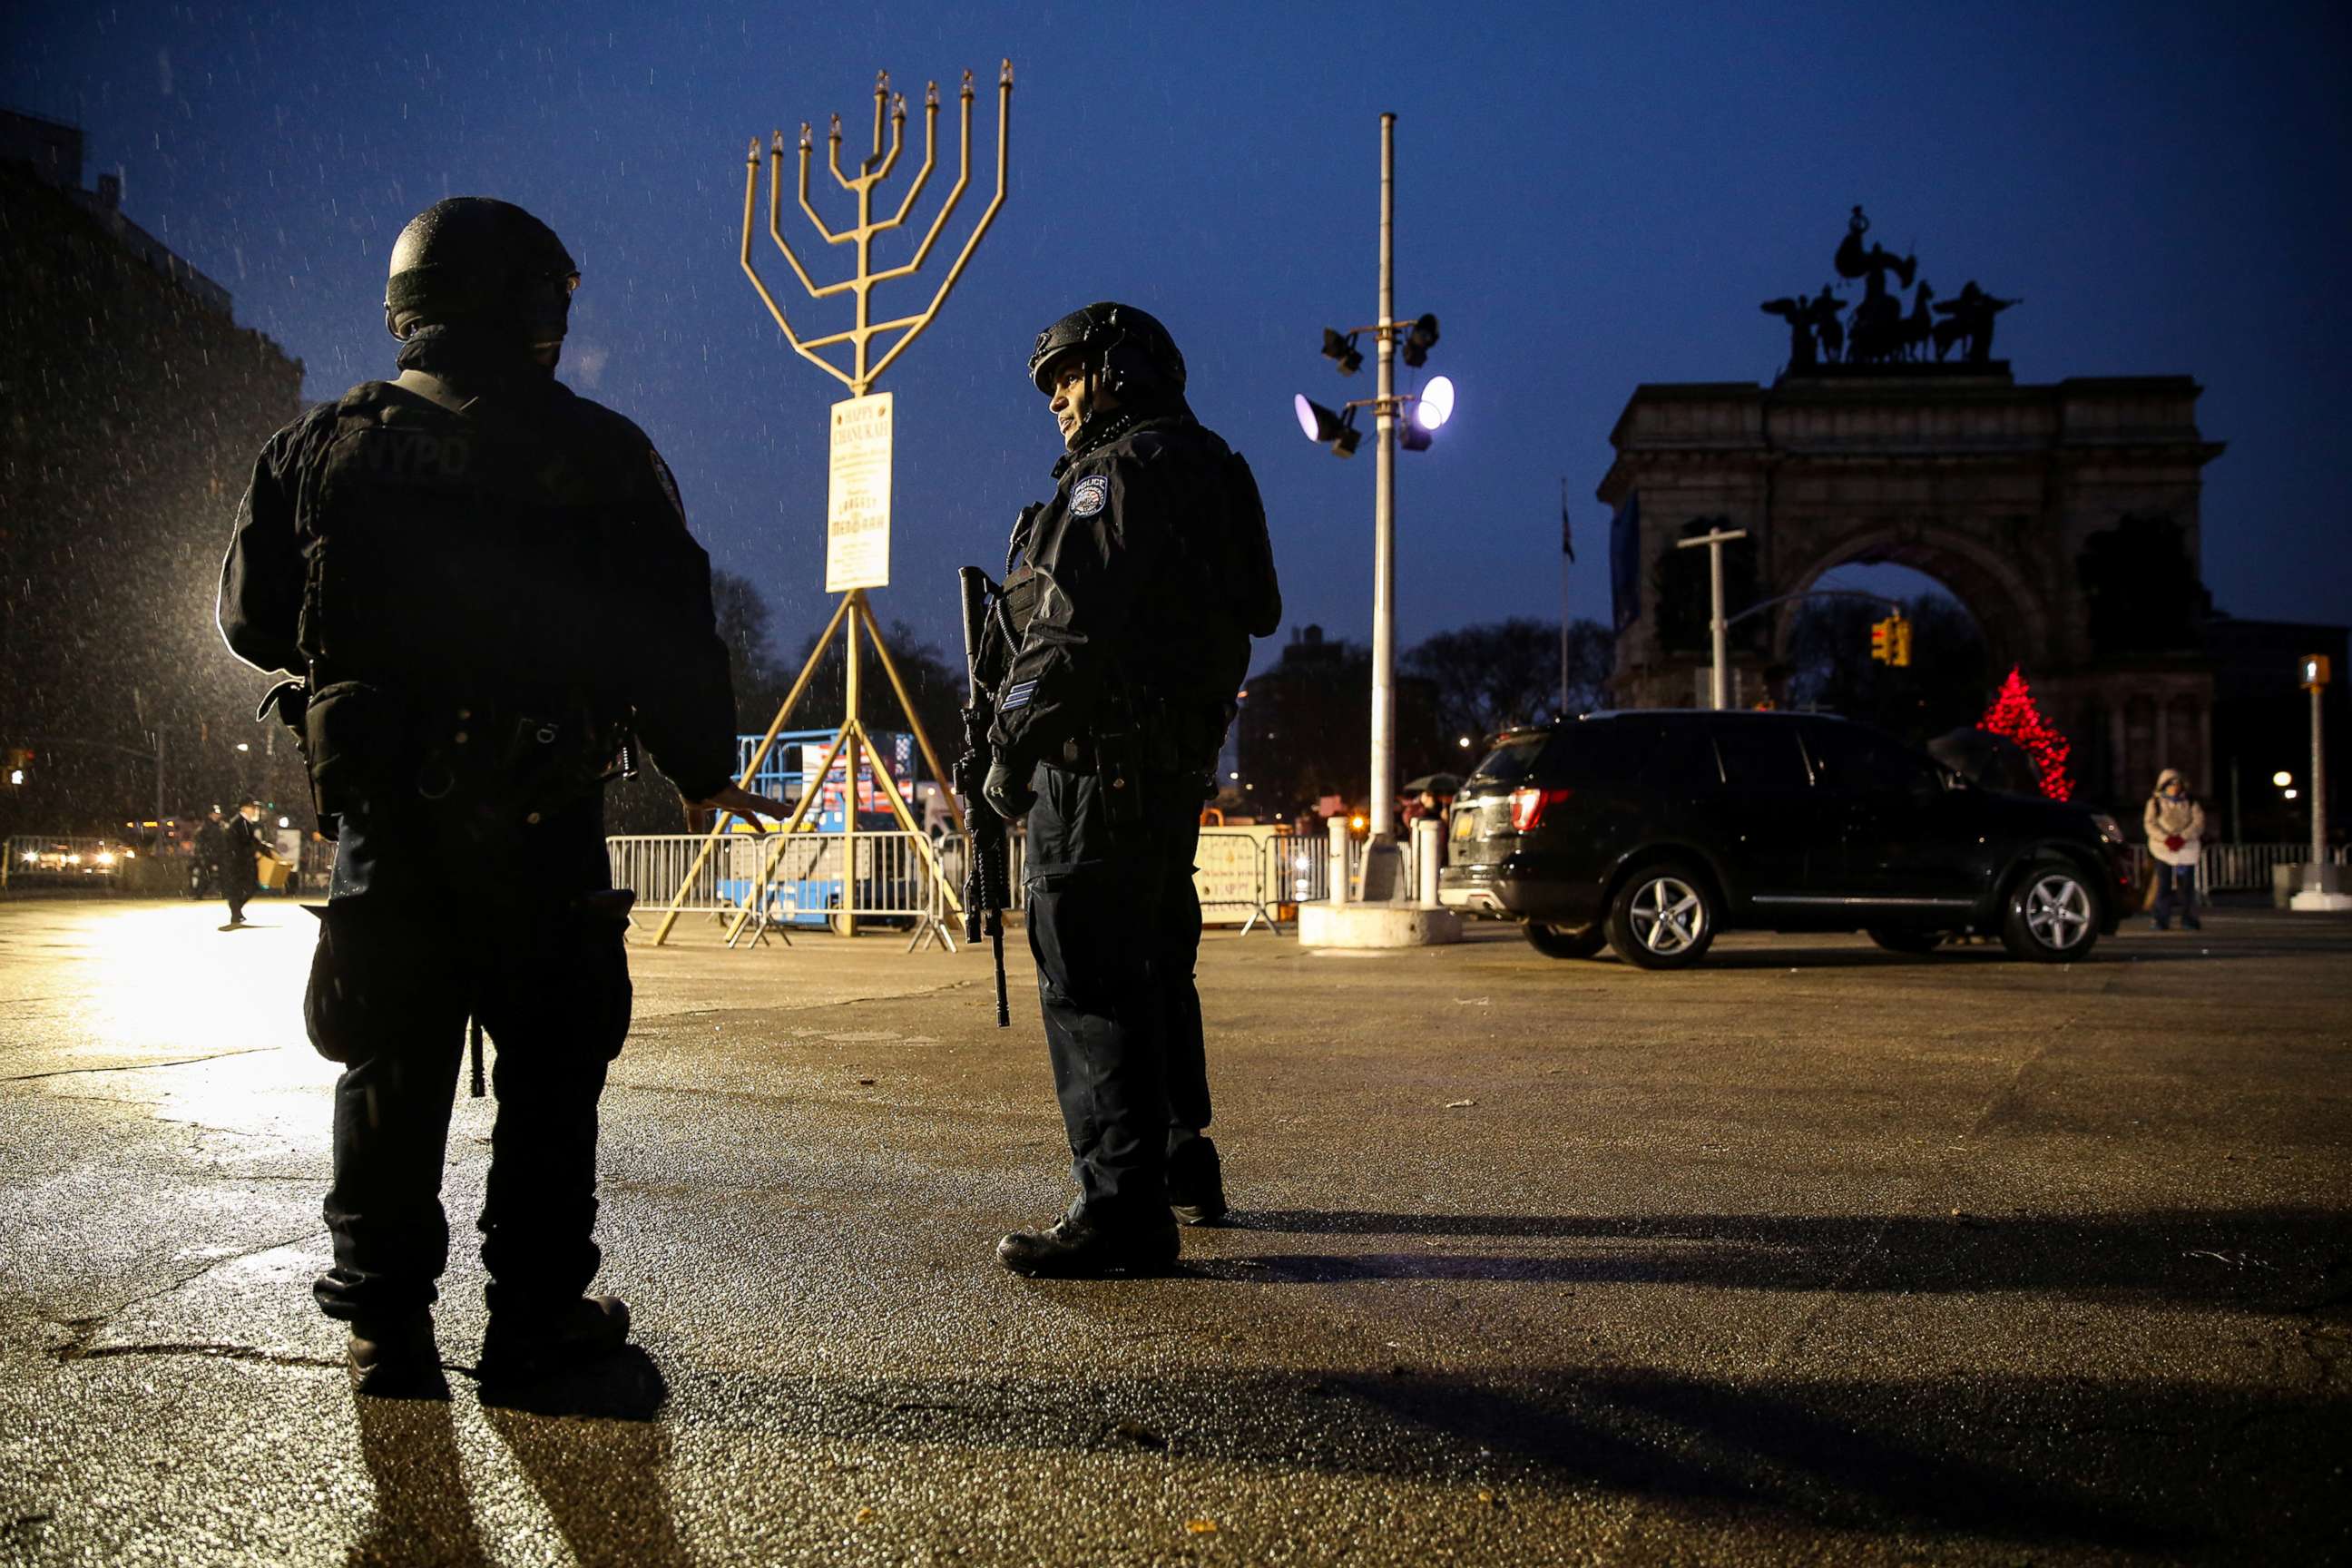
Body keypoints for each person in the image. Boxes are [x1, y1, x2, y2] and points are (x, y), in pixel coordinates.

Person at [217, 196, 784, 1396]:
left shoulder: (320, 447)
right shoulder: (602, 454)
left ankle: (384, 1324)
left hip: (390, 824)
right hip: (538, 818)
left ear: (406, 308)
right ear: (528, 306)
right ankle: (533, 1323)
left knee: (388, 1064)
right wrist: (703, 768)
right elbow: (675, 637)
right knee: (549, 1077)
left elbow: (250, 618)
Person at [975, 301, 1281, 1277]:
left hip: (1093, 767)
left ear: (1122, 367)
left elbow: (1067, 630)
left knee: (1090, 976)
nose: (1058, 399)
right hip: (1166, 771)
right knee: (1154, 968)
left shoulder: (1116, 476)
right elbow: (1256, 609)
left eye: (1069, 375)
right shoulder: (1218, 472)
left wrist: (1010, 745)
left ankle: (1120, 1209)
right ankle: (1182, 1156)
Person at [2143, 767, 2205, 931]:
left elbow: (2198, 823)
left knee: (2187, 887)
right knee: (2163, 886)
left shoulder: (2190, 803)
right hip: (2163, 850)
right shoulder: (2155, 803)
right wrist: (2166, 839)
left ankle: (2189, 919)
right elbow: (2150, 824)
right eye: (2171, 784)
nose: (2175, 787)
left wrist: (2182, 837)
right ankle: (2160, 919)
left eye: (2177, 784)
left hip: (2186, 850)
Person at [220, 800, 271, 928]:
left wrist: (262, 847)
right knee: (243, 888)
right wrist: (256, 850)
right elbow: (244, 842)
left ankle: (237, 912)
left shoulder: (244, 822)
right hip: (240, 862)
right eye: (252, 807)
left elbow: (250, 841)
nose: (255, 810)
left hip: (242, 861)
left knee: (246, 887)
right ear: (244, 808)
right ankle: (236, 913)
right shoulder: (240, 823)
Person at [193, 808, 228, 901]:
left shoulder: (222, 826)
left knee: (224, 874)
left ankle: (226, 894)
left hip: (220, 855)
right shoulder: (205, 827)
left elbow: (224, 841)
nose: (217, 816)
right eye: (215, 814)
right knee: (205, 875)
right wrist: (202, 855)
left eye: (218, 814)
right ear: (210, 815)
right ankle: (199, 894)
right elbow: (200, 842)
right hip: (208, 855)